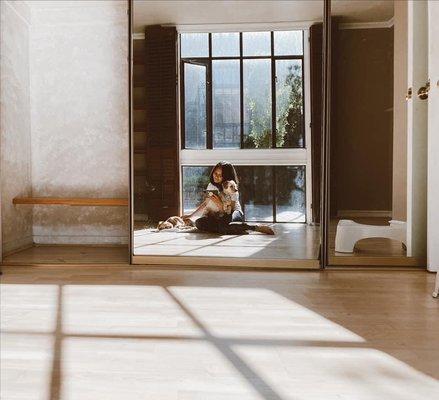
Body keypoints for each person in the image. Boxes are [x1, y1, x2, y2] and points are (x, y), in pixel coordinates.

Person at [189, 161, 274, 235]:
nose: (217, 176)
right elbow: (207, 203)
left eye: (220, 175)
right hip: (218, 215)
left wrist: (219, 204)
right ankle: (233, 229)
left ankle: (254, 228)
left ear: (226, 176)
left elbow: (229, 212)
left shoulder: (232, 187)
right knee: (199, 223)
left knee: (223, 224)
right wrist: (191, 215)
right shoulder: (211, 186)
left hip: (232, 213)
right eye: (215, 173)